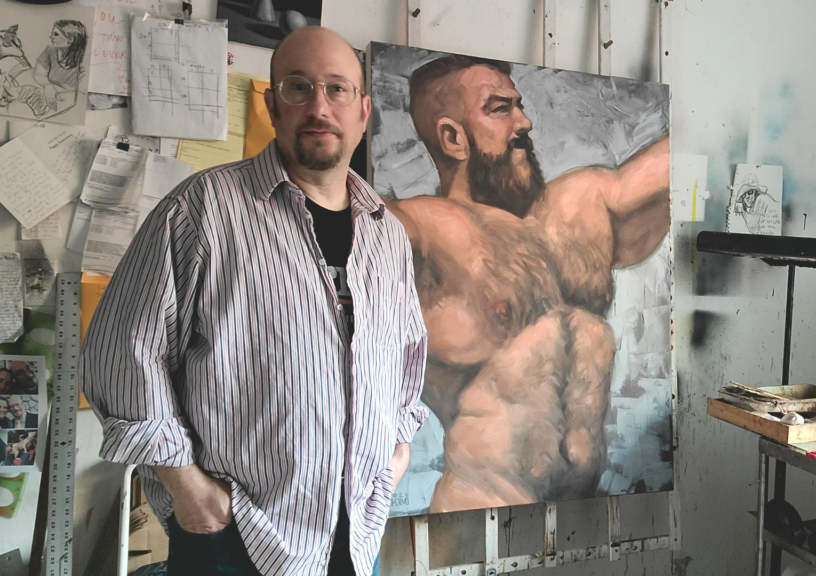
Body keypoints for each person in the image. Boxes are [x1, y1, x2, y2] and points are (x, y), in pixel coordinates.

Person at [81, 28, 426, 576]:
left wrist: (397, 455)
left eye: (337, 89)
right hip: (237, 537)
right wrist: (187, 488)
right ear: (271, 105)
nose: (319, 107)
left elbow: (406, 355)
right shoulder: (201, 209)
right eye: (298, 87)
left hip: (358, 537)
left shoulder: (387, 234)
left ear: (364, 111)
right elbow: (122, 355)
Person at [386, 54, 669, 512]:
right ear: (453, 137)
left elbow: (672, 166)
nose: (525, 122)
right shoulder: (423, 228)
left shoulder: (577, 207)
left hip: (582, 514)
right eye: (500, 109)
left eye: (519, 105)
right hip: (479, 510)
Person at [21, 20, 87, 118]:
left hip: (67, 103)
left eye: (56, 34)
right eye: (52, 33)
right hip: (47, 95)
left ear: (70, 40)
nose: (51, 37)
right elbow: (38, 74)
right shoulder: (50, 50)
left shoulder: (82, 61)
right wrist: (48, 85)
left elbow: (80, 94)